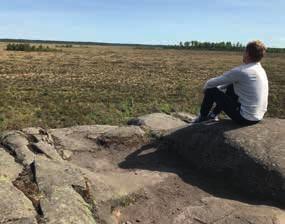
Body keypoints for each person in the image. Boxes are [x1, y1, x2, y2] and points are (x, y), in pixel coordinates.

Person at [194, 40, 268, 125]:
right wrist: (220, 90)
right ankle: (213, 115)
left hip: (245, 118)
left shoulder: (242, 71)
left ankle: (202, 118)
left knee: (210, 90)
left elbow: (210, 83)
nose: (243, 54)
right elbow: (227, 84)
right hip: (258, 116)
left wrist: (206, 90)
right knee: (231, 86)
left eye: (244, 52)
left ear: (247, 53)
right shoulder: (260, 69)